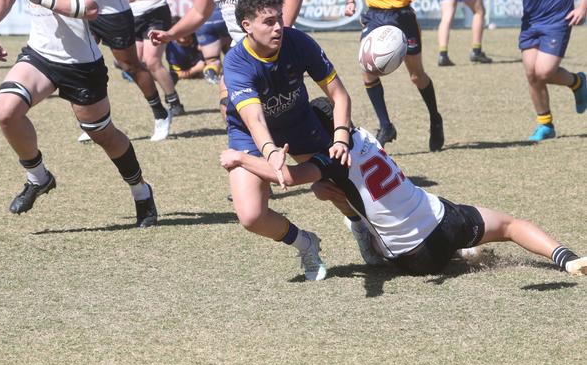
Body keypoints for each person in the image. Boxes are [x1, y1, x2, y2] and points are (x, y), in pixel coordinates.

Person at [220, 98, 587, 277]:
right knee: (510, 226)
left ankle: (370, 235)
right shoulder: (361, 137)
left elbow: (284, 178)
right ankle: (567, 259)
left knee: (323, 188)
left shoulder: (330, 159)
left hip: (412, 258)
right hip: (442, 220)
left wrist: (239, 159)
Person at [0, 0, 158, 227]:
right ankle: (39, 178)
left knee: (103, 134)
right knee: (6, 111)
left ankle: (141, 191)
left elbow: (91, 8)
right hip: (39, 56)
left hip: (81, 65)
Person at [219, 0, 353, 281]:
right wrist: (271, 154)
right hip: (249, 135)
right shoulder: (236, 62)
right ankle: (305, 243)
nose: (278, 26)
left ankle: (361, 229)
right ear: (247, 27)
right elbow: (254, 119)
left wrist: (341, 138)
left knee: (341, 189)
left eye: (279, 18)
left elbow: (340, 96)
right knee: (251, 216)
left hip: (299, 123)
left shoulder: (299, 41)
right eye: (268, 22)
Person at [148, 0, 303, 118]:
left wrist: (281, 35)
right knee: (228, 106)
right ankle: (245, 145)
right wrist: (171, 34)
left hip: (273, 48)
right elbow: (199, 12)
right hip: (241, 49)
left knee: (283, 110)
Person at [345, 0, 444, 151]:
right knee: (368, 71)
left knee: (417, 76)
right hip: (374, 16)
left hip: (401, 16)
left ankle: (435, 119)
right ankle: (385, 126)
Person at [74, 0, 172, 143]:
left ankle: (161, 114)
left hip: (113, 14)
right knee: (84, 65)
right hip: (85, 10)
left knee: (131, 66)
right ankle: (96, 122)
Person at [496, 0, 587, 141]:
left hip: (557, 20)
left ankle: (578, 82)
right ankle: (545, 124)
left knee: (544, 71)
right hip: (531, 21)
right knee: (532, 74)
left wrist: (582, 7)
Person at [117, 0, 184, 117]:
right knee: (134, 64)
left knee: (152, 61)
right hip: (132, 17)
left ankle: (174, 101)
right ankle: (169, 78)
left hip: (155, 14)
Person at [195, 7, 231, 84]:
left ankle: (211, 72)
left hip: (204, 22)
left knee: (212, 60)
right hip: (224, 16)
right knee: (236, 56)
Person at [165, 17, 206, 84]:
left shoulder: (198, 36)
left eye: (184, 30)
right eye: (178, 32)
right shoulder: (172, 49)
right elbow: (177, 75)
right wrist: (196, 69)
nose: (182, 34)